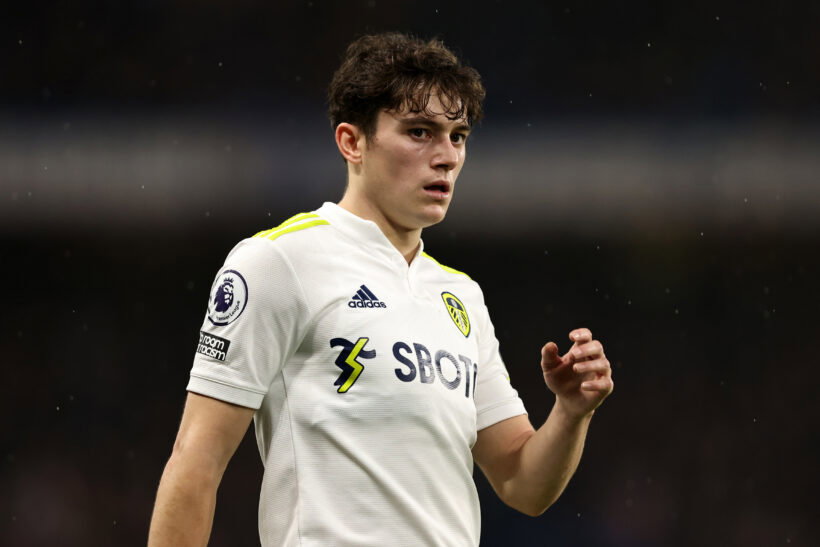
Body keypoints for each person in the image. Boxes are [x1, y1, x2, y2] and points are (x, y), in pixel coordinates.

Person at [148, 32, 613, 547]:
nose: (447, 156)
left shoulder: (460, 296)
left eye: (458, 136)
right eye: (420, 132)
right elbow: (197, 461)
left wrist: (570, 413)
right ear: (353, 142)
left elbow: (523, 484)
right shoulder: (280, 262)